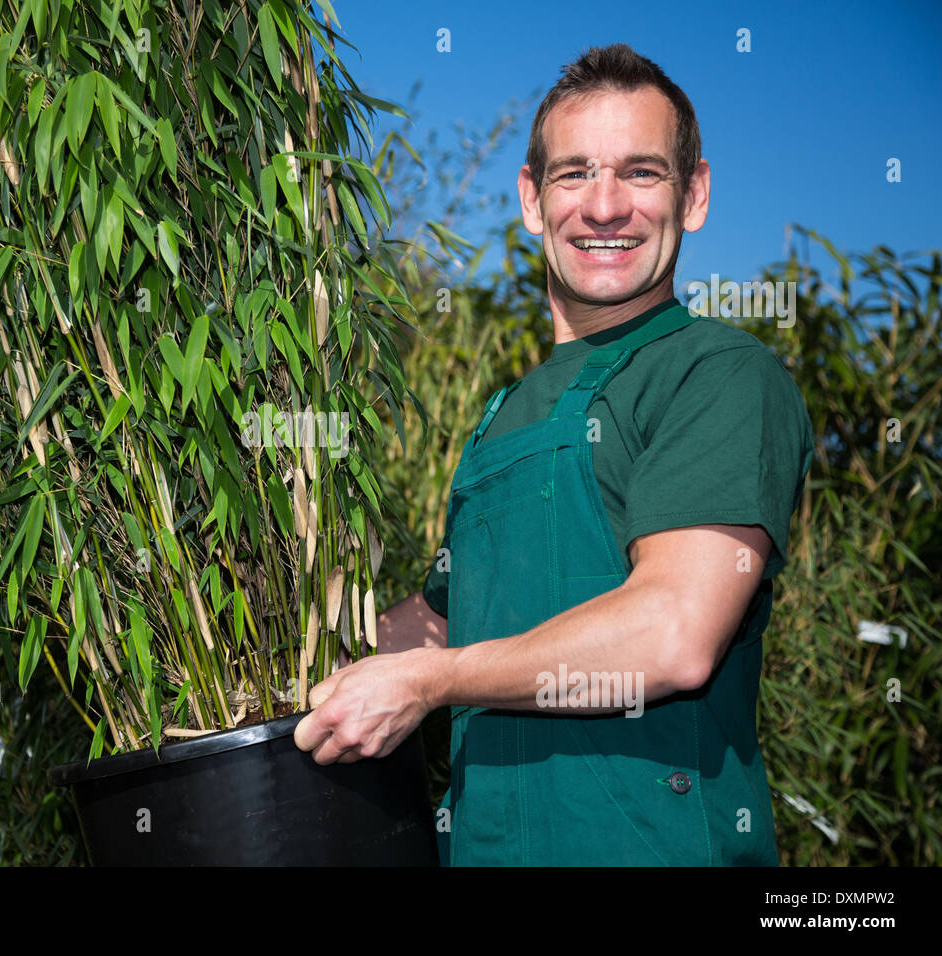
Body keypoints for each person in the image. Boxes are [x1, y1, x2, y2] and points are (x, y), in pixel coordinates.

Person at [293, 43, 814, 866]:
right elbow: (438, 620)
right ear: (532, 200)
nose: (604, 207)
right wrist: (281, 651)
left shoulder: (717, 373)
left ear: (697, 194)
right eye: (573, 175)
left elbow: (674, 631)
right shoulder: (503, 414)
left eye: (641, 173)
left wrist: (431, 685)